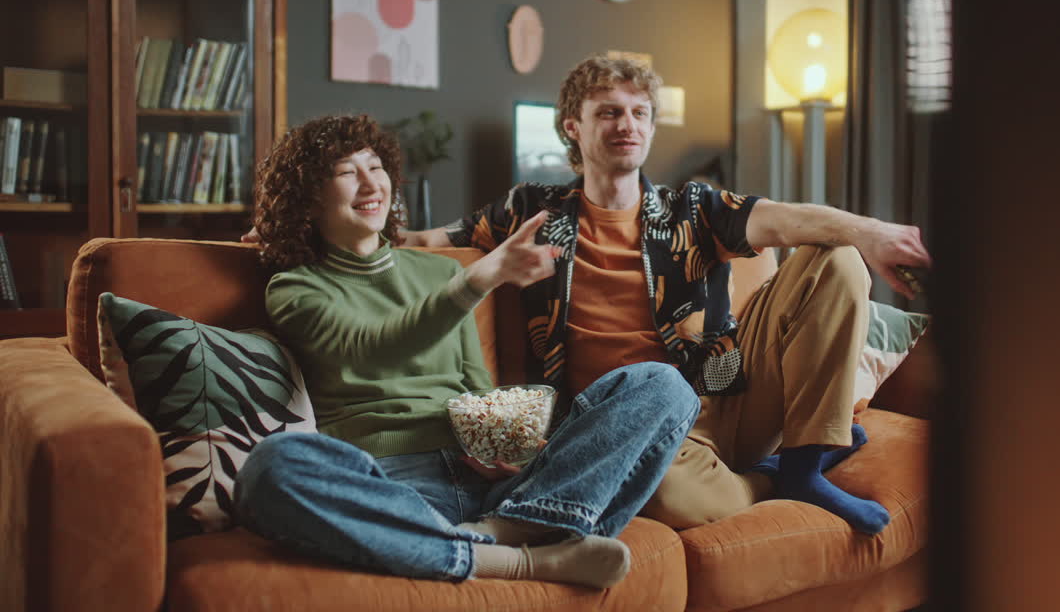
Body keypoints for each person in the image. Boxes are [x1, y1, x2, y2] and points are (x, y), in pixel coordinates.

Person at [395, 55, 934, 535]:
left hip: (726, 397)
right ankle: (767, 480)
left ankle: (804, 465)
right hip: (635, 430)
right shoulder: (531, 211)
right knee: (658, 493)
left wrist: (871, 232)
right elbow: (422, 244)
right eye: (608, 111)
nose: (626, 124)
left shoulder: (692, 209)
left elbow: (786, 219)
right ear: (573, 128)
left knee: (835, 255)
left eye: (639, 112)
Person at [232, 114, 699, 588]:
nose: (371, 184)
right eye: (347, 173)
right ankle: (519, 560)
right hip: (393, 487)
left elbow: (476, 392)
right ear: (308, 198)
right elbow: (372, 349)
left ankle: (510, 525)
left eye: (375, 167)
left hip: (493, 484)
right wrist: (479, 278)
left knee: (663, 385)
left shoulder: (435, 274)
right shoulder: (295, 288)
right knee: (271, 468)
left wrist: (508, 445)